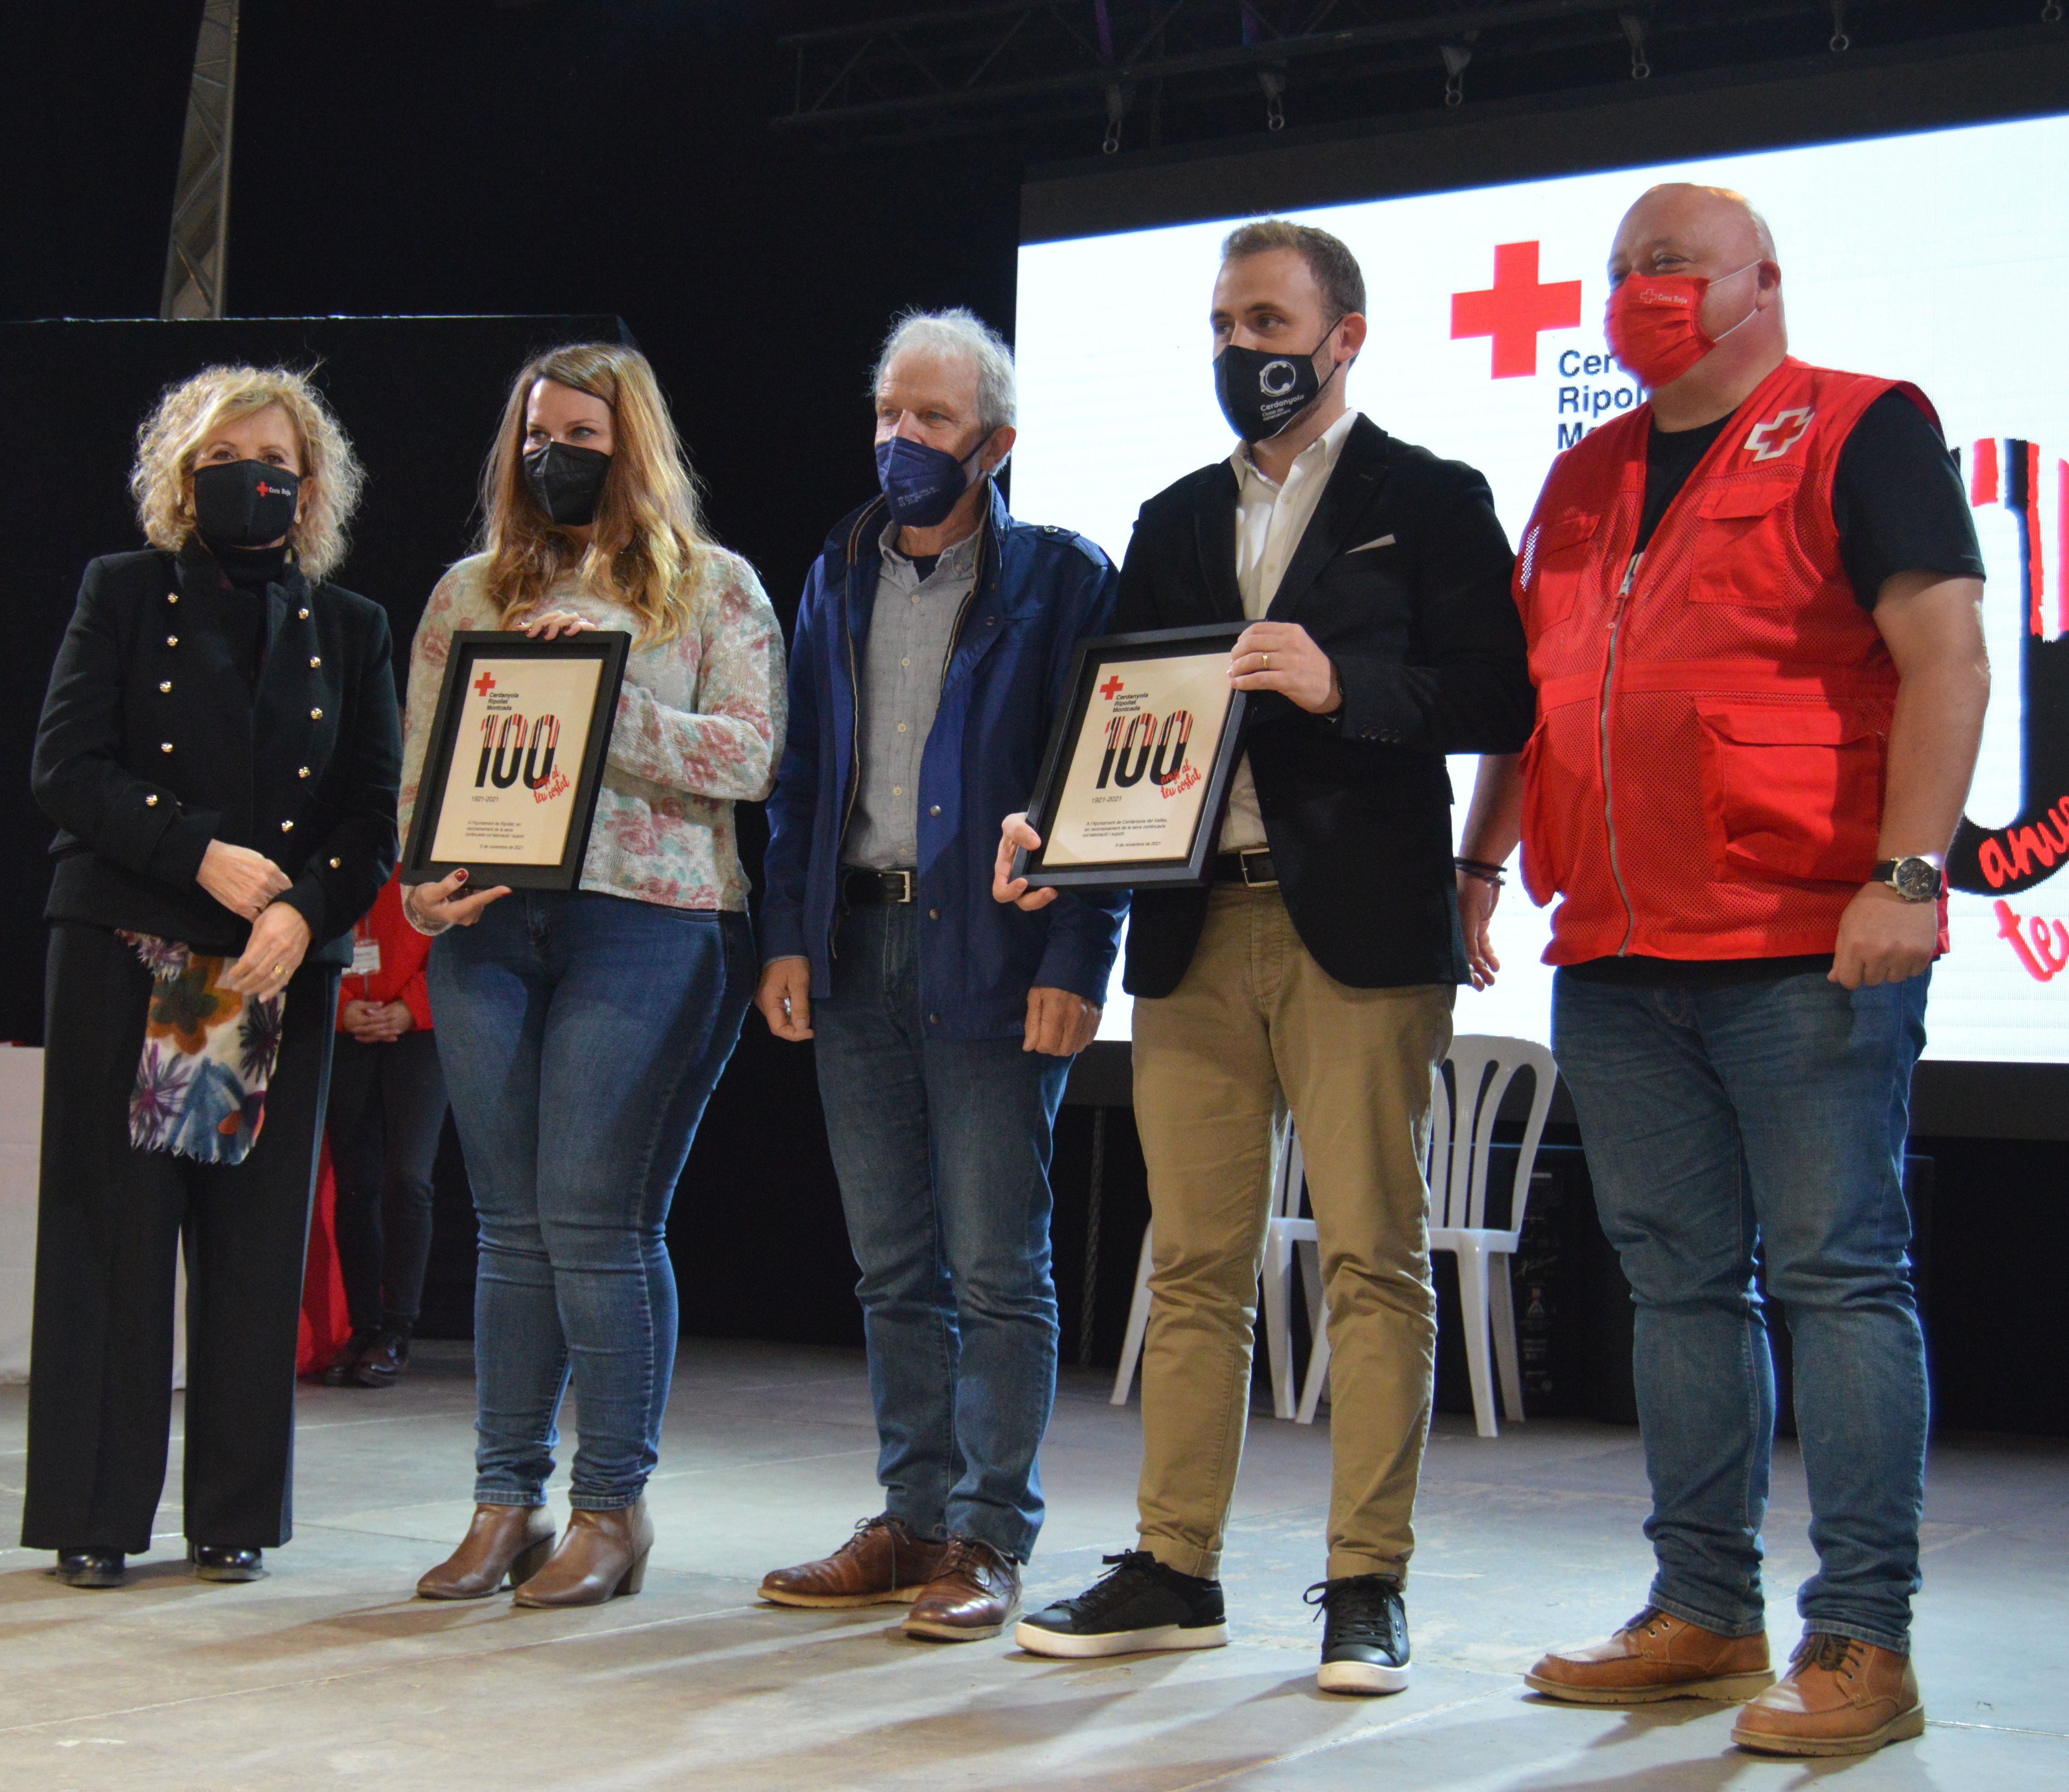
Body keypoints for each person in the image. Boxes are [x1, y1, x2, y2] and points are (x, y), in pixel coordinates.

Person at [1464, 184, 1986, 1758]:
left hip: (1805, 945)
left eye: (1671, 266)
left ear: (1763, 279)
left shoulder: (1859, 427)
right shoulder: (1578, 476)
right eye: (1620, 272)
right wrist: (1477, 864)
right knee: (1679, 1286)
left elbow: (1944, 654)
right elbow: (1531, 701)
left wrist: (1907, 877)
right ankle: (1702, 1610)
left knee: (1836, 1278)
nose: (1640, 292)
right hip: (1615, 953)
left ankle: (1862, 1641)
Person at [995, 220, 1533, 1690]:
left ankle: (1365, 1583)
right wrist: (1045, 822)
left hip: (1355, 920)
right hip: (1189, 922)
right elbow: (1118, 706)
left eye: (1267, 321)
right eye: (1223, 324)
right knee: (1194, 1265)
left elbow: (1501, 692)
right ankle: (1175, 1567)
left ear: (1343, 336)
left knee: (1370, 1255)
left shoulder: (1425, 498)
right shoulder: (1173, 515)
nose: (1242, 349)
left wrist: (1340, 680)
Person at [753, 310, 1121, 1643]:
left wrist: (1082, 949)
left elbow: (1105, 786)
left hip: (994, 954)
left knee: (994, 1264)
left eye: (931, 420)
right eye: (886, 415)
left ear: (996, 442)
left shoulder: (1065, 578)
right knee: (890, 1260)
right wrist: (784, 937)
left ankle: (987, 1531)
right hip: (855, 943)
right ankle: (911, 1515)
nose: (899, 441)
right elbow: (800, 780)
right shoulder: (834, 573)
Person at [401, 342, 782, 1610]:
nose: (549, 455)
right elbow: (425, 774)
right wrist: (421, 889)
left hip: (655, 921)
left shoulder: (712, 591)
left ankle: (611, 1509)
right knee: (507, 1227)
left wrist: (606, 692)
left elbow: (749, 758)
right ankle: (503, 1501)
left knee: (593, 1215)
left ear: (633, 448)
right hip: (492, 928)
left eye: (578, 435)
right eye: (532, 436)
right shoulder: (469, 593)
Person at [22, 365, 403, 1590]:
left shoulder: (354, 628)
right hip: (132, 950)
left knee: (251, 1247)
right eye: (230, 454)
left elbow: (368, 815)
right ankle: (95, 1510)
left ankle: (233, 1514)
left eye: (278, 457)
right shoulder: (122, 594)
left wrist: (304, 905)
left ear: (312, 483)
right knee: (115, 1235)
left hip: (271, 968)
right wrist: (195, 851)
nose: (257, 475)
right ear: (185, 476)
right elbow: (66, 767)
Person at [319, 862, 449, 1389]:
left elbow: (457, 936)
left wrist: (410, 1008)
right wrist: (341, 1010)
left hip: (416, 1031)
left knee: (409, 1178)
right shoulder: (337, 850)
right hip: (348, 1029)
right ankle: (365, 1326)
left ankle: (397, 1330)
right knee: (356, 1185)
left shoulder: (430, 852)